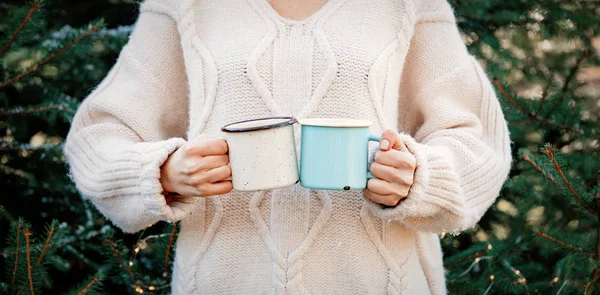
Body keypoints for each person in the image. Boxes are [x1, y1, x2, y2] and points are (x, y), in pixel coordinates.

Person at [64, 0, 512, 293]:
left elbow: (474, 138)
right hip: (224, 281)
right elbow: (99, 134)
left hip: (379, 281)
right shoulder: (182, 5)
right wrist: (161, 173)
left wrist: (420, 178)